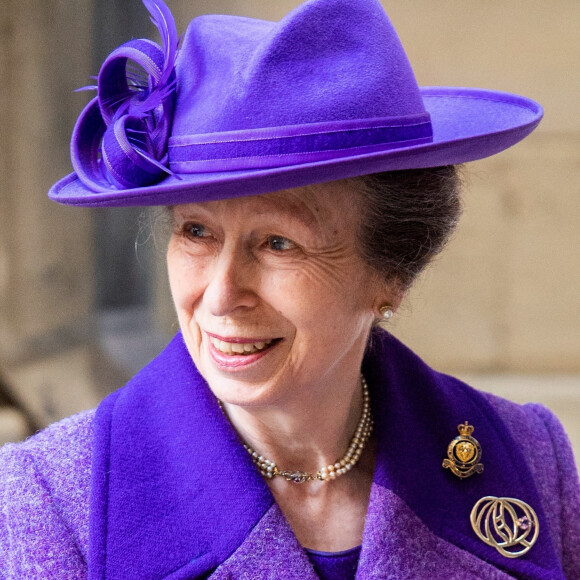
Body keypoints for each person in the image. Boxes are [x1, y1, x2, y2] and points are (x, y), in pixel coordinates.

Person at [1, 0, 579, 577]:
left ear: (391, 273)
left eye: (279, 243)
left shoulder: (528, 457)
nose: (221, 294)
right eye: (196, 231)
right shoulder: (52, 502)